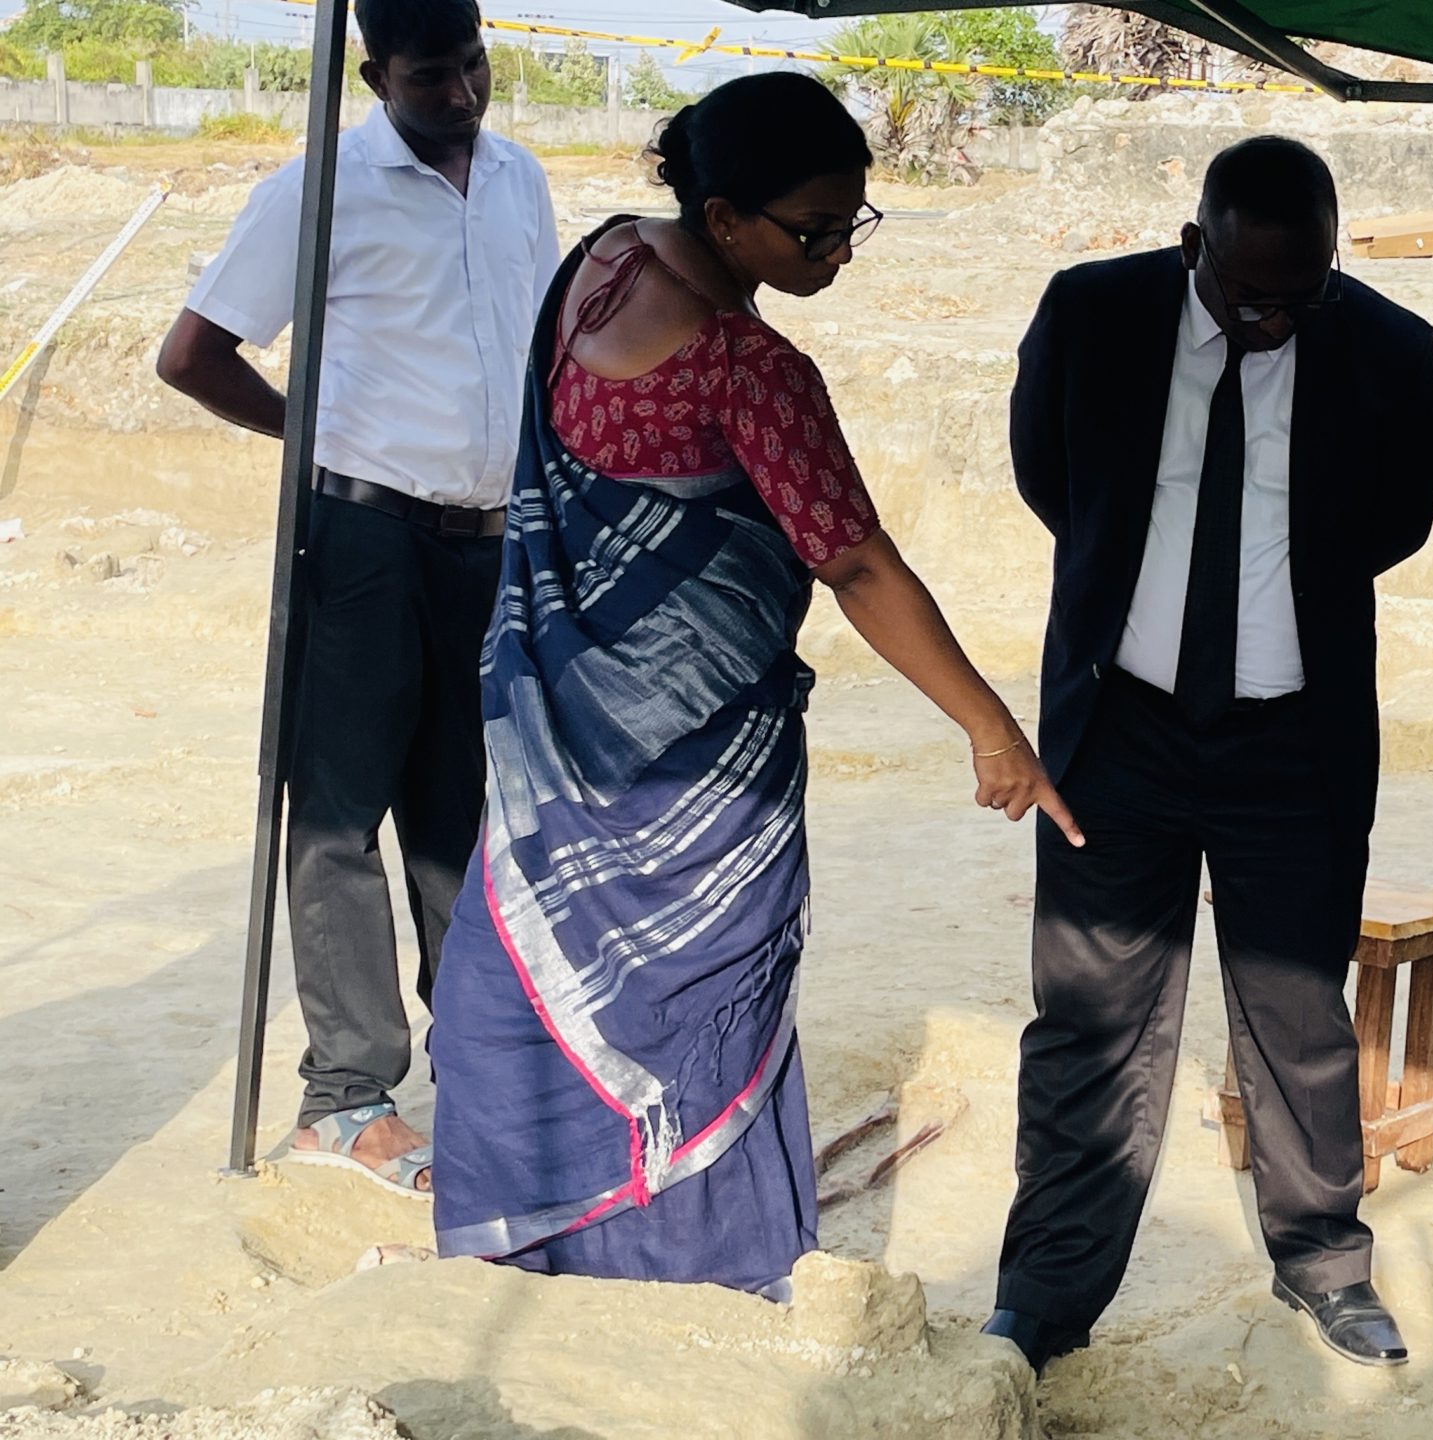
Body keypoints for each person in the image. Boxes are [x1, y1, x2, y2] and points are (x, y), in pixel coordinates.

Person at [425, 71, 1074, 1298]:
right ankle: (699, 1269)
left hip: (553, 722)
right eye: (814, 230)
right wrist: (993, 728)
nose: (839, 253)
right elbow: (855, 561)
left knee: (531, 944)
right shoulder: (750, 371)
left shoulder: (603, 261)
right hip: (698, 759)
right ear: (724, 218)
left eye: (852, 221)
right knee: (697, 981)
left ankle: (532, 1236)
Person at [989, 136, 1433, 1372]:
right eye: (1249, 297)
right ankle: (1045, 1296)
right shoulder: (1092, 315)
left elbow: (1392, 526)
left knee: (1299, 1015)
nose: (1274, 320)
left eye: (1303, 296)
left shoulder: (1391, 349)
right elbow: (1052, 478)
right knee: (1089, 1020)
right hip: (1119, 726)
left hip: (1293, 740)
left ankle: (1323, 1262)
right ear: (1195, 245)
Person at [155, 0, 557, 1199]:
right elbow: (192, 355)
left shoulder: (520, 180)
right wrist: (317, 436)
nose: (463, 94)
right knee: (339, 817)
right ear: (376, 75)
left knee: (459, 814)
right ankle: (346, 1102)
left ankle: (477, 1067)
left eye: (475, 66)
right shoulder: (319, 191)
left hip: (486, 545)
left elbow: (538, 353)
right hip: (362, 540)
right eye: (432, 77)